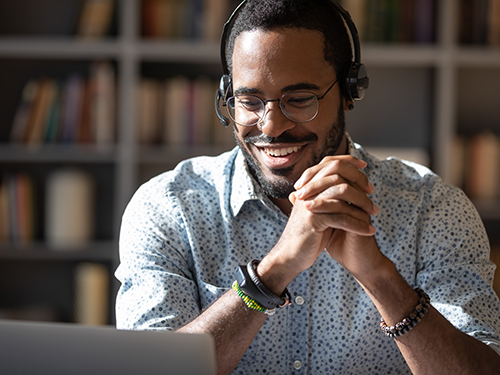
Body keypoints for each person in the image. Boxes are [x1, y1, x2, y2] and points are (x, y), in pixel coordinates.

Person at [115, 1, 500, 374]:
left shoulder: (434, 210)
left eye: (298, 99)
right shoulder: (169, 209)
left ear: (349, 92)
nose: (270, 126)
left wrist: (382, 279)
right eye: (249, 101)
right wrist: (272, 272)